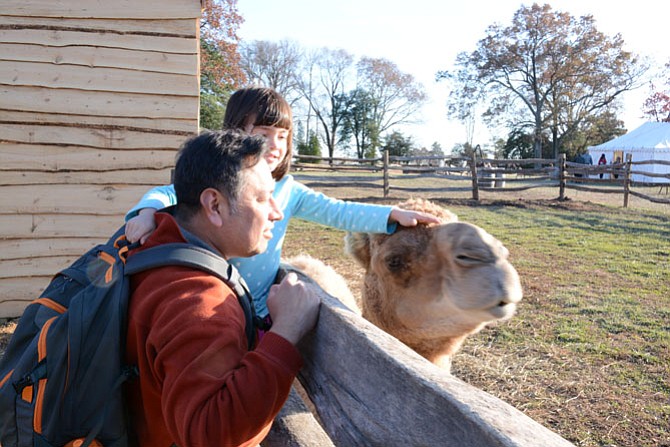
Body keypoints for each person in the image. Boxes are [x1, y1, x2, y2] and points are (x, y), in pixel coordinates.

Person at [125, 86, 440, 323]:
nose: (275, 144)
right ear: (237, 133)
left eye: (283, 136)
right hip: (206, 299)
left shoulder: (290, 191)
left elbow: (340, 212)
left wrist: (391, 214)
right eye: (264, 134)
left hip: (258, 308)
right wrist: (148, 212)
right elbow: (166, 193)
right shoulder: (220, 180)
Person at [124, 129, 321, 446]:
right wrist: (287, 330)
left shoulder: (153, 245)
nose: (276, 212)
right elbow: (210, 436)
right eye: (260, 198)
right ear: (213, 205)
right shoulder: (198, 302)